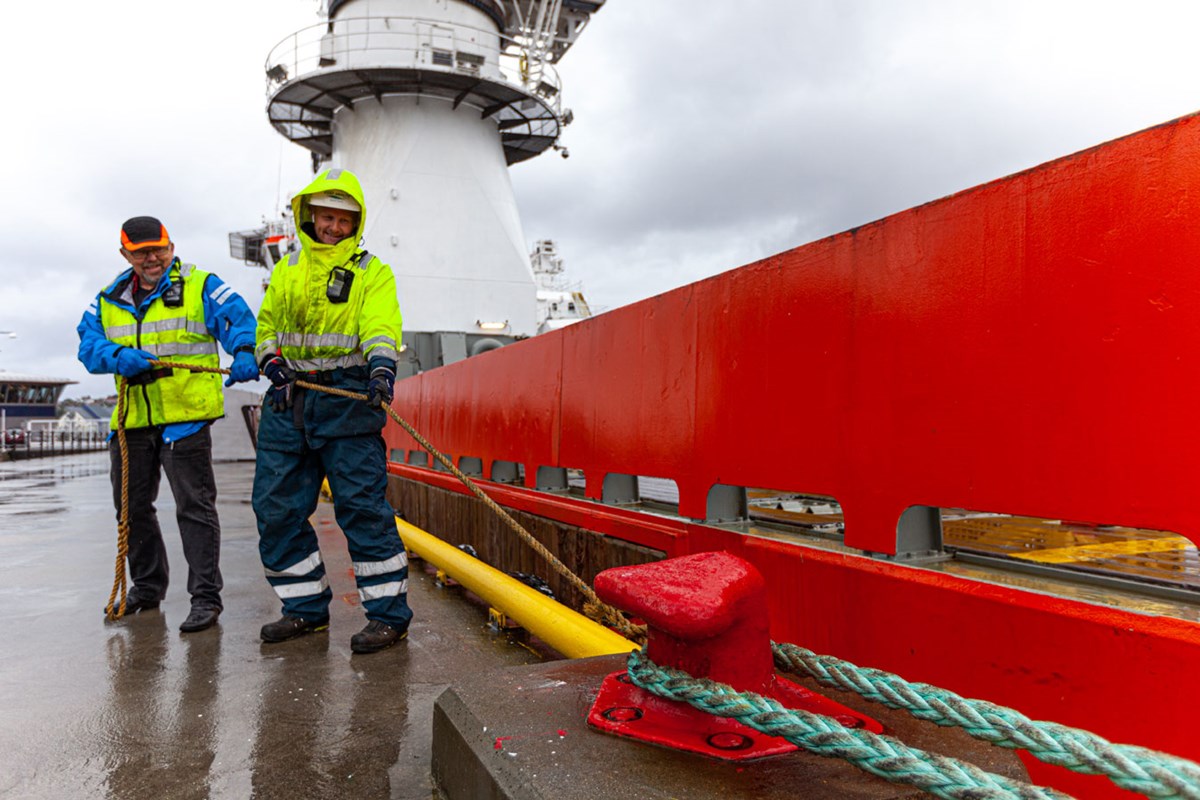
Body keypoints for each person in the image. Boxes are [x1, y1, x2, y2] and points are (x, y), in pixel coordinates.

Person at [252, 168, 412, 654]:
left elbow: (380, 324)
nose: (333, 227)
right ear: (309, 216)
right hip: (290, 398)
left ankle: (388, 617)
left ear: (356, 221)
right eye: (326, 216)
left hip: (349, 399)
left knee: (363, 510)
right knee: (275, 509)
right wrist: (271, 361)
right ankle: (303, 609)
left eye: (344, 219)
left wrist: (381, 370)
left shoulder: (372, 272)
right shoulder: (286, 271)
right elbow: (267, 326)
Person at [78, 216, 260, 632]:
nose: (152, 258)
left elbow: (237, 319)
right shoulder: (107, 299)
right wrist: (116, 356)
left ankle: (205, 599)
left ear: (171, 246)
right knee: (131, 510)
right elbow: (87, 345)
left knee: (194, 509)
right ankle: (147, 587)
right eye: (141, 252)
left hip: (186, 418)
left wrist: (245, 350)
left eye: (158, 248)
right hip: (132, 422)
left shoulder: (201, 285)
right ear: (125, 255)